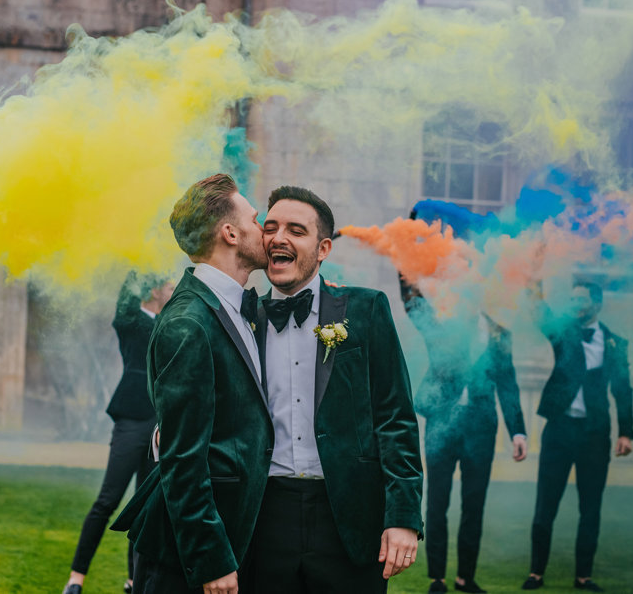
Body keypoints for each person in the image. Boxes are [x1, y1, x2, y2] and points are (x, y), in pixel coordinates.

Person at [245, 185, 423, 593]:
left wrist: (403, 517)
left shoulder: (366, 309)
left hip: (349, 518)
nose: (278, 238)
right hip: (263, 517)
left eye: (295, 229)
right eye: (270, 227)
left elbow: (396, 418)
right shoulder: (243, 316)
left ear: (323, 248)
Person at [111, 173, 272, 594]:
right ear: (230, 232)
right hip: (188, 562)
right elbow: (182, 458)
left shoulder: (233, 307)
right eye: (256, 220)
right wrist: (211, 559)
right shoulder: (188, 323)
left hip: (230, 539)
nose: (264, 229)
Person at [401, 277, 527, 594]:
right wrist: (403, 269)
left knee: (474, 505)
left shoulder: (500, 335)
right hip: (442, 425)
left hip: (481, 430)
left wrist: (519, 432)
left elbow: (509, 385)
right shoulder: (443, 328)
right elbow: (414, 305)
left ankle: (465, 578)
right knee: (437, 503)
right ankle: (437, 579)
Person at [63, 275, 174, 594]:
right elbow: (125, 300)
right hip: (131, 420)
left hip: (161, 423)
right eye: (168, 287)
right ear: (154, 291)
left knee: (146, 505)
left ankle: (133, 581)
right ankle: (76, 579)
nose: (173, 292)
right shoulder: (131, 320)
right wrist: (137, 251)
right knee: (107, 500)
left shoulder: (174, 321)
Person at [521, 280, 633, 592]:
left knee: (591, 507)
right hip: (559, 430)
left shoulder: (616, 343)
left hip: (594, 435)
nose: (574, 304)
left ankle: (584, 576)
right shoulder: (564, 331)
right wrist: (534, 285)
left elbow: (623, 389)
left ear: (596, 304)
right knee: (545, 503)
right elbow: (540, 315)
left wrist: (626, 432)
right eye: (570, 299)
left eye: (580, 299)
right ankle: (536, 573)